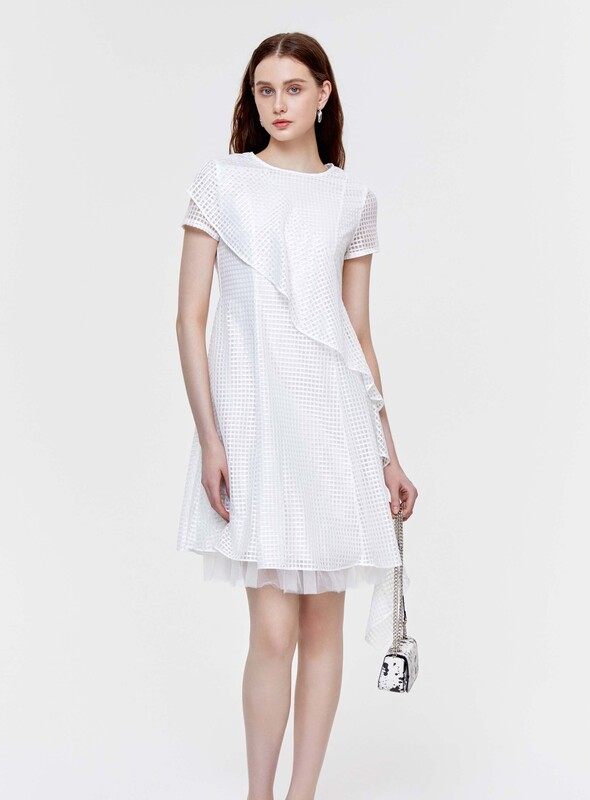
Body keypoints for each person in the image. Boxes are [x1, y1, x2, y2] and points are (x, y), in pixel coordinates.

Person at [175, 31, 418, 800]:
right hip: (256, 429)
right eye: (264, 90)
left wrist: (388, 454)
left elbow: (358, 336)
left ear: (323, 94)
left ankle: (302, 795)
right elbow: (189, 319)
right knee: (272, 630)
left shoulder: (353, 201)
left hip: (334, 424)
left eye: (292, 87)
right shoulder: (223, 183)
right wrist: (210, 438)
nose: (276, 103)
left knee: (323, 628)